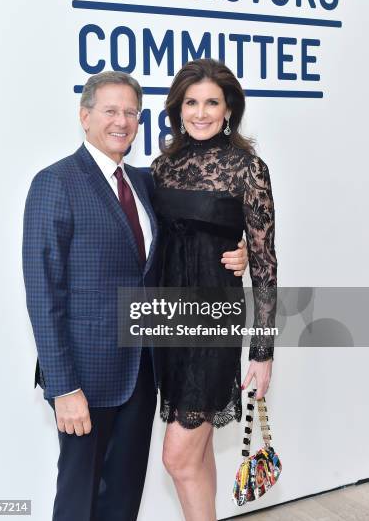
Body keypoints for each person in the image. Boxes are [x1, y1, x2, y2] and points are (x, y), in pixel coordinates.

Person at [22, 70, 248, 521]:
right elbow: (43, 294)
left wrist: (235, 249)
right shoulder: (56, 183)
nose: (121, 121)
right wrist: (63, 385)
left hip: (143, 373)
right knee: (78, 498)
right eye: (110, 110)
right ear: (85, 117)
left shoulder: (147, 183)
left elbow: (190, 233)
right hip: (86, 377)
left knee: (123, 498)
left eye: (131, 112)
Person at [151, 58, 277, 521]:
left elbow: (264, 263)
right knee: (196, 456)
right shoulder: (162, 167)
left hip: (214, 321)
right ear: (177, 109)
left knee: (177, 456)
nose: (200, 112)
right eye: (191, 102)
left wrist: (262, 353)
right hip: (168, 318)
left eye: (211, 102)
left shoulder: (248, 168)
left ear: (229, 110)